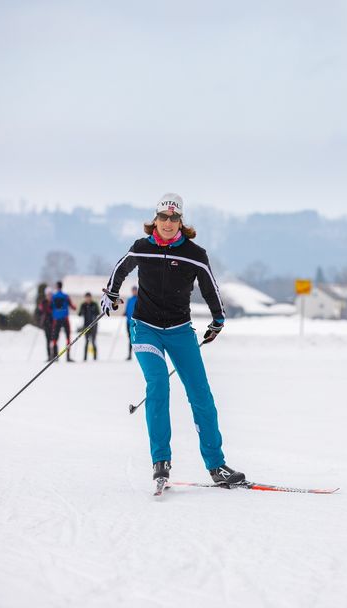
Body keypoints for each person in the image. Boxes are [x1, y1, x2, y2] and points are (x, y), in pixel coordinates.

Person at [101, 193, 245, 487]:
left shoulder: (194, 253)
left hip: (180, 330)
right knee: (158, 384)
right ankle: (160, 462)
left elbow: (210, 288)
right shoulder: (142, 248)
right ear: (154, 220)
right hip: (145, 328)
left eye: (174, 218)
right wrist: (110, 294)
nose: (168, 223)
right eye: (163, 218)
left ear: (181, 222)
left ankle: (217, 465)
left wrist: (218, 319)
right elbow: (120, 268)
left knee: (201, 395)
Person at [51, 281, 76, 362]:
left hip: (56, 319)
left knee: (55, 338)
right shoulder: (66, 296)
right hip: (65, 319)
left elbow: (50, 307)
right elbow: (73, 307)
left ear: (56, 287)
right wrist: (74, 307)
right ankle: (68, 357)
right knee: (68, 337)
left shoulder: (53, 296)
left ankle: (55, 357)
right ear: (62, 286)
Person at [79, 291, 100, 361]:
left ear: (91, 298)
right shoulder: (83, 305)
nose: (88, 299)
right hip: (86, 326)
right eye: (86, 298)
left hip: (93, 325)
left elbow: (98, 313)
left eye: (89, 297)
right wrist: (82, 311)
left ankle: (95, 357)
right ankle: (85, 358)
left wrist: (93, 313)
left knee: (93, 341)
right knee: (86, 342)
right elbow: (79, 314)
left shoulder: (94, 304)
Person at [35, 289, 55, 361]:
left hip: (53, 323)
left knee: (54, 340)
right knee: (48, 340)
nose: (49, 296)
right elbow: (40, 311)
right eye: (48, 295)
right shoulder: (44, 302)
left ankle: (55, 356)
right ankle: (49, 356)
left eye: (50, 295)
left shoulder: (53, 302)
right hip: (46, 324)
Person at [125, 285, 138, 360]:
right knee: (130, 339)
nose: (134, 292)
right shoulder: (129, 300)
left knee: (136, 339)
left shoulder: (139, 299)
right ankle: (129, 355)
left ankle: (138, 355)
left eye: (135, 290)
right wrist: (125, 313)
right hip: (128, 322)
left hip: (136, 322)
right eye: (133, 290)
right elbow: (127, 309)